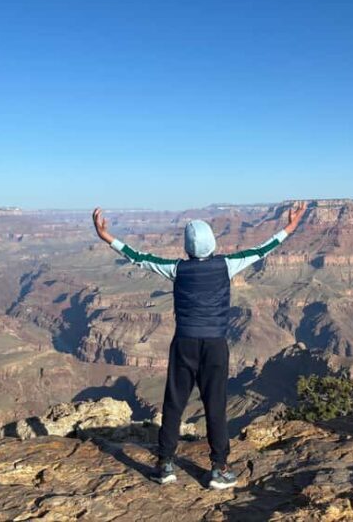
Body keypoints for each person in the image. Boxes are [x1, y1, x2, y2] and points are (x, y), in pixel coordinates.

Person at [92, 201, 308, 489]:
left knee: (174, 403)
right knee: (215, 405)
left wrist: (107, 237)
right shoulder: (227, 265)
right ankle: (219, 468)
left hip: (184, 344)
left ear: (187, 247)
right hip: (215, 346)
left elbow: (138, 257)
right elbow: (262, 250)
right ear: (213, 244)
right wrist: (290, 227)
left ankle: (165, 465)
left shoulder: (177, 269)